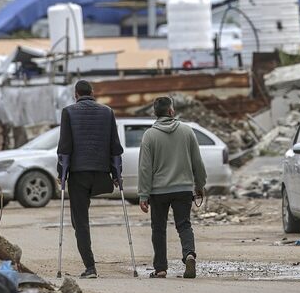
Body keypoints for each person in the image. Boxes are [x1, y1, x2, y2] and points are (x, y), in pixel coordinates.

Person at [57, 80, 123, 279]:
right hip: (101, 176)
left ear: (75, 94)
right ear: (92, 93)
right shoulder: (107, 112)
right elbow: (115, 147)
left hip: (79, 175)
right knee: (81, 221)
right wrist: (116, 175)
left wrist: (61, 174)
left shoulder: (68, 112)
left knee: (80, 222)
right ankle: (90, 265)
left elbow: (64, 148)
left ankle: (90, 267)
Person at [137, 96, 207, 279]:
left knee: (158, 228)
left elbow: (144, 168)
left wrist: (143, 194)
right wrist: (200, 185)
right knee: (184, 225)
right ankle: (189, 254)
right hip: (183, 189)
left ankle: (160, 268)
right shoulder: (187, 131)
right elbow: (197, 162)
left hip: (158, 191)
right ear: (171, 111)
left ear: (155, 113)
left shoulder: (149, 135)